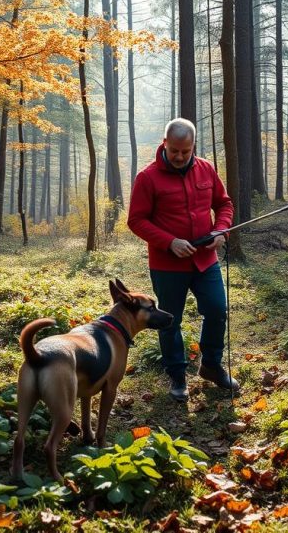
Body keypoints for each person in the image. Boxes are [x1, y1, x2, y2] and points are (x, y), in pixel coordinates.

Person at [127, 118, 238, 402]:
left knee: (216, 309)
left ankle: (211, 366)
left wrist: (220, 230)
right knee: (170, 321)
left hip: (206, 260)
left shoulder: (206, 169)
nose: (178, 156)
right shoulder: (147, 177)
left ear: (193, 147)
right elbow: (136, 220)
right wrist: (169, 242)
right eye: (174, 150)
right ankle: (177, 375)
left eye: (185, 151)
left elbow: (223, 204)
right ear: (165, 144)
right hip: (167, 265)